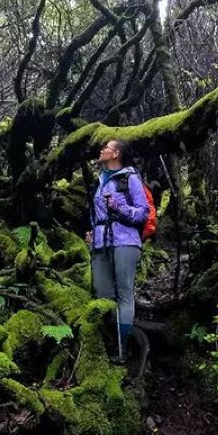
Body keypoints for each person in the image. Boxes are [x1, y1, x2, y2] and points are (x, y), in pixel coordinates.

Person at [85, 139, 150, 362]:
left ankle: (122, 351)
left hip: (125, 241)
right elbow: (97, 214)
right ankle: (109, 342)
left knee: (124, 293)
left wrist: (119, 207)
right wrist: (93, 233)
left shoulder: (130, 178)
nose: (102, 150)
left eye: (107, 147)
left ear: (117, 153)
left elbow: (143, 213)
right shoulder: (100, 180)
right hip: (101, 244)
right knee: (101, 293)